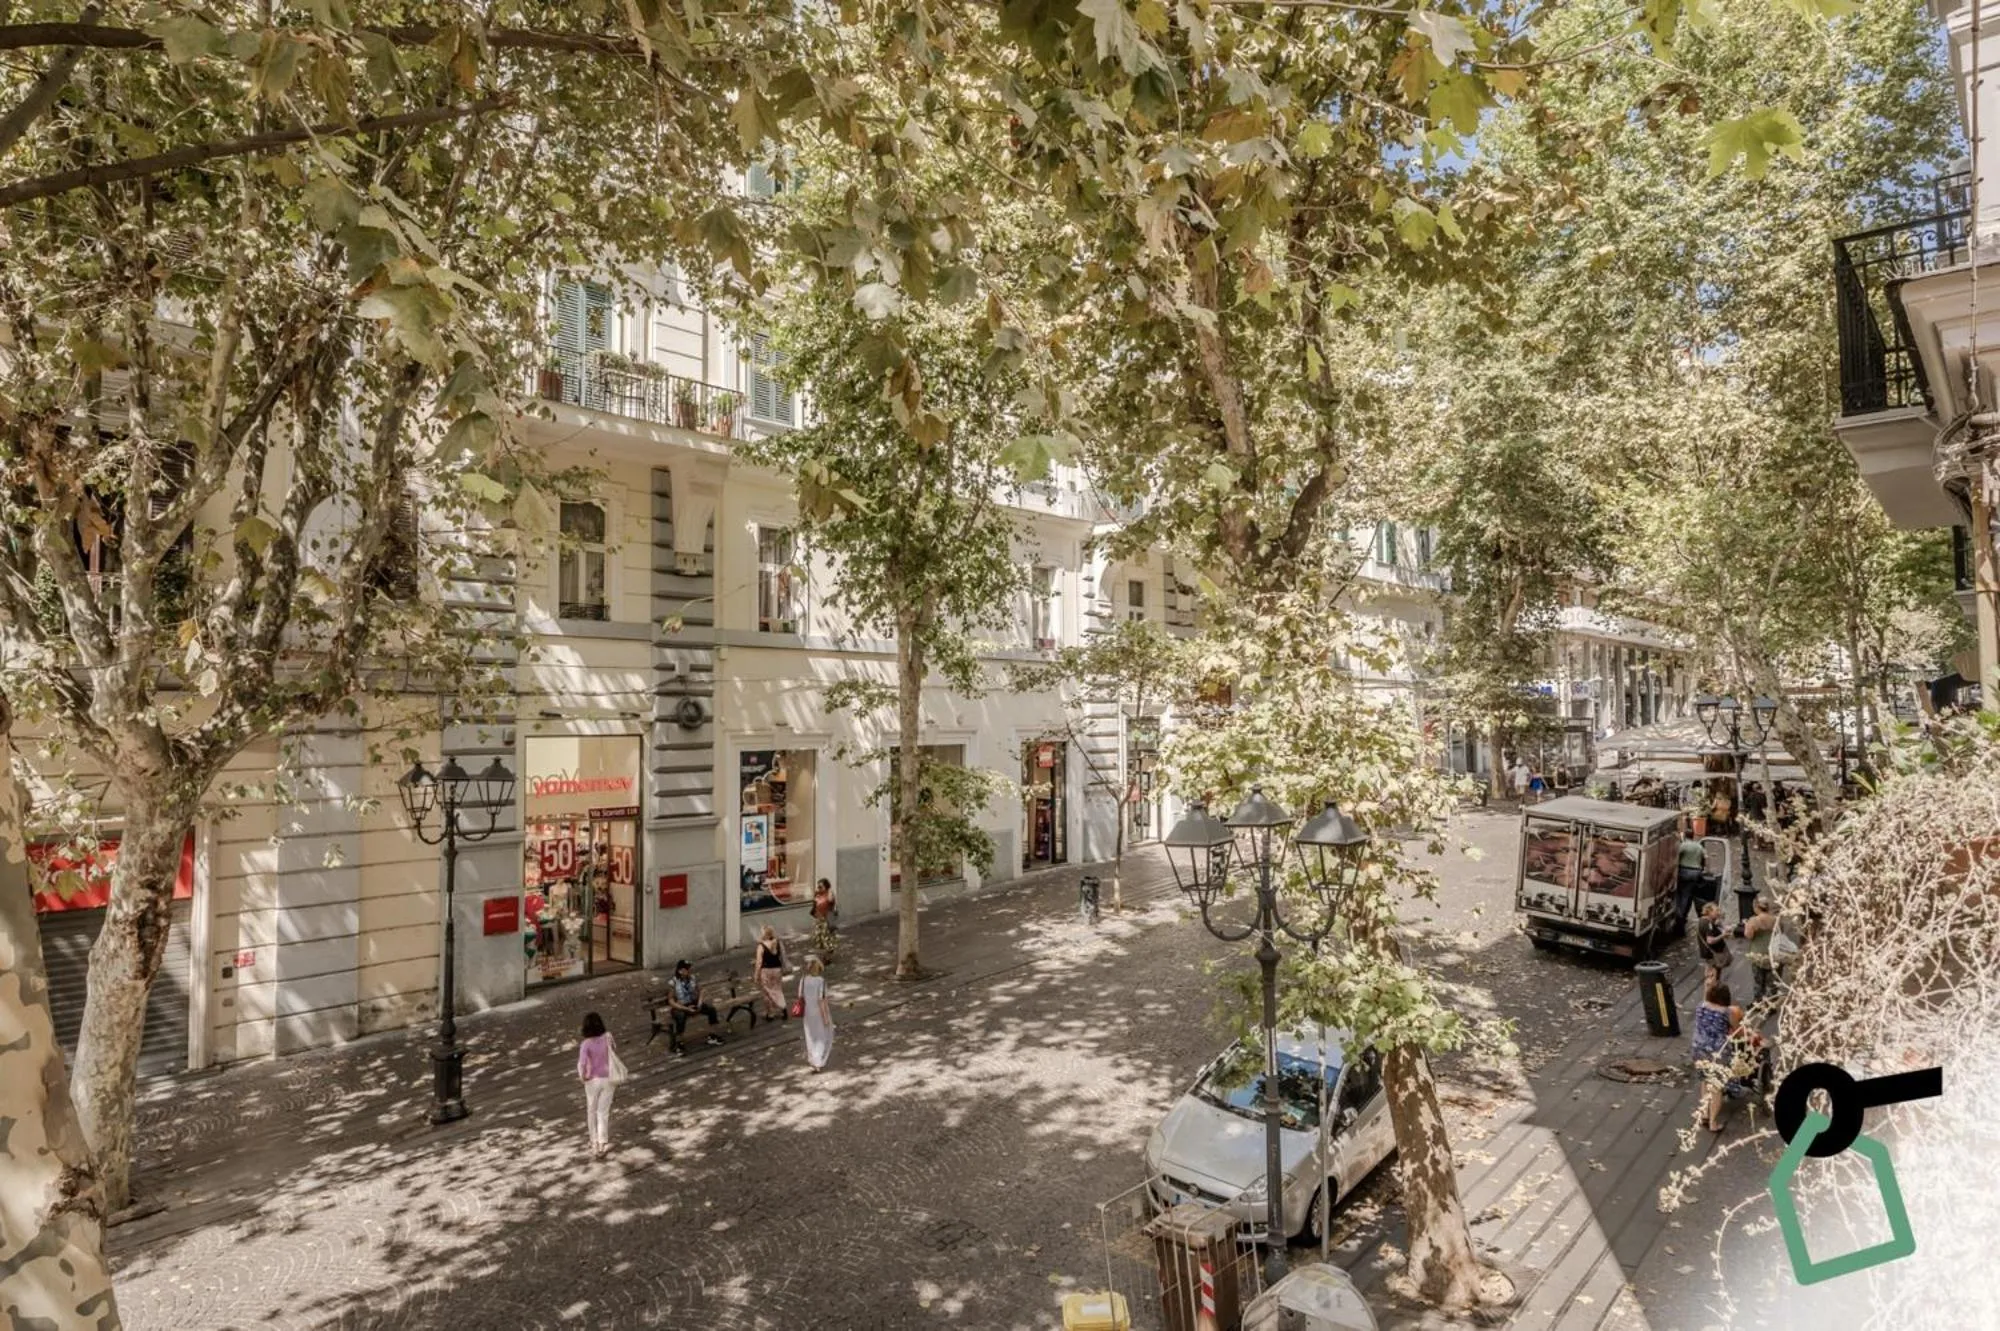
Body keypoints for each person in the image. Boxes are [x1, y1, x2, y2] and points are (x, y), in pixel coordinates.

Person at [1690, 981, 1734, 1132]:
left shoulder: (1700, 1007)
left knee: (1704, 1081)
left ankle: (1704, 1114)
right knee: (1716, 1087)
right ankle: (1713, 1122)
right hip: (1717, 1052)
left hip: (1699, 1048)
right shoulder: (1726, 1012)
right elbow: (1736, 1028)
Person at [577, 1011, 618, 1159]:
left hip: (592, 1080)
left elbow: (582, 1062)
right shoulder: (608, 1037)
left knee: (591, 1111)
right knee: (603, 1112)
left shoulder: (586, 1044)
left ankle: (593, 1141)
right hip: (608, 1078)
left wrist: (583, 1076)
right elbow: (613, 1051)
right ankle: (602, 1142)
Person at [664, 959, 724, 1056]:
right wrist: (685, 1008)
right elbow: (671, 1001)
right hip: (680, 1006)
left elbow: (701, 990)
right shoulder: (673, 982)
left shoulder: (692, 978)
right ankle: (679, 1044)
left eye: (689, 969)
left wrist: (699, 1003)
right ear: (680, 971)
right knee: (681, 1017)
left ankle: (713, 1035)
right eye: (686, 969)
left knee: (711, 1009)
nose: (689, 971)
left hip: (693, 1003)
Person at [1742, 895, 1779, 1003]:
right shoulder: (1775, 919)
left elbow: (1748, 935)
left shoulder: (1754, 920)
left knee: (1758, 980)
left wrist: (1746, 925)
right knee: (1771, 980)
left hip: (1758, 952)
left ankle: (1758, 1001)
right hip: (1772, 952)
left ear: (1757, 907)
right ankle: (1771, 1002)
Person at [801, 954, 834, 1073]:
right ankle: (818, 1060)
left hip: (807, 1012)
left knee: (810, 1036)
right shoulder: (821, 981)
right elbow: (821, 1000)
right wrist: (825, 1017)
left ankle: (812, 1058)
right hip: (819, 1011)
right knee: (822, 1036)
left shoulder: (803, 979)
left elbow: (800, 996)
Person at [753, 924, 788, 1021]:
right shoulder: (777, 943)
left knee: (767, 992)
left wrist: (756, 975)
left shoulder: (761, 946)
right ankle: (783, 1008)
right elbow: (781, 957)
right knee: (777, 989)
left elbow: (759, 962)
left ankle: (770, 1013)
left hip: (766, 971)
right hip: (777, 969)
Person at [1675, 826, 1707, 935]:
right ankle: (1683, 913)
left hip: (1684, 871)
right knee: (1687, 894)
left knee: (1679, 892)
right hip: (1696, 872)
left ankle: (1679, 913)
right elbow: (1705, 857)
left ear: (1684, 835)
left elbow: (1676, 856)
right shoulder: (1699, 846)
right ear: (1693, 836)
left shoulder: (1683, 845)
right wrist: (1703, 868)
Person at [1696, 902, 1731, 988]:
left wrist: (1720, 923)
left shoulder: (1705, 921)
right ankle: (1711, 993)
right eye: (1716, 910)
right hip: (1712, 954)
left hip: (1710, 954)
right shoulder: (1708, 924)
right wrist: (1723, 935)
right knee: (1712, 976)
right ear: (1709, 911)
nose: (1718, 912)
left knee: (1713, 974)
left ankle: (1713, 991)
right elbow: (1710, 941)